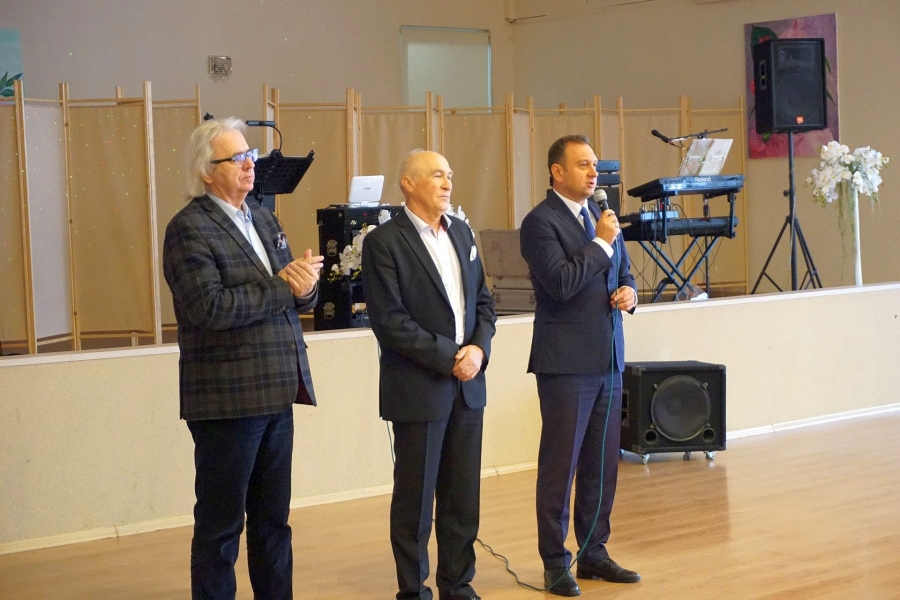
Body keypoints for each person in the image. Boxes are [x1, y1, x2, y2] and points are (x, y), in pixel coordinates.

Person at [162, 117, 323, 600]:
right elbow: (208, 308)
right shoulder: (188, 228)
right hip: (227, 399)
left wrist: (306, 288)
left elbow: (293, 294)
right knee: (221, 527)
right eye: (237, 158)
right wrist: (283, 286)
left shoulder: (263, 217)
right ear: (206, 171)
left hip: (279, 388)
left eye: (250, 154)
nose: (250, 165)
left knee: (274, 522)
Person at [361, 150, 497, 600]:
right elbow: (390, 322)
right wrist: (451, 356)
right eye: (437, 175)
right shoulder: (384, 242)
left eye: (450, 174)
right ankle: (413, 591)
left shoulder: (461, 231)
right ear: (408, 183)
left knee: (462, 498)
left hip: (468, 385)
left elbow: (484, 303)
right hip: (419, 387)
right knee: (415, 501)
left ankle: (457, 584)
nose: (447, 183)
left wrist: (478, 349)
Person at [519, 135, 640, 597]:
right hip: (566, 364)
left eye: (595, 165)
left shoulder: (601, 218)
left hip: (608, 359)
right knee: (560, 467)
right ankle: (555, 562)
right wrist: (602, 243)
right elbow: (561, 282)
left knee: (601, 465)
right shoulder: (540, 222)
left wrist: (629, 293)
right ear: (558, 171)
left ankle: (594, 552)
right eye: (583, 165)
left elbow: (623, 270)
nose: (594, 173)